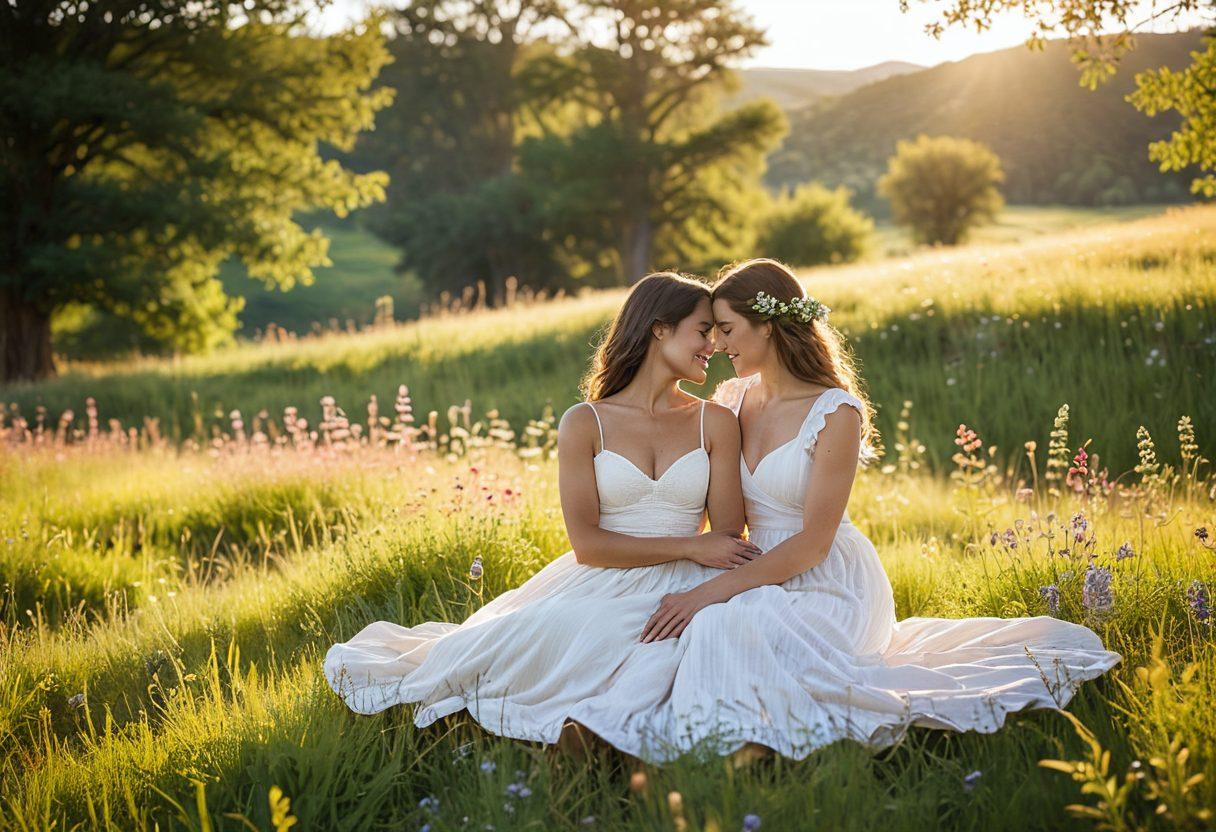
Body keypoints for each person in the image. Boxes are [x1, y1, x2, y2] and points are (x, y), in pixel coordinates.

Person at [629, 257, 1122, 761]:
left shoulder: (834, 411)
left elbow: (814, 544)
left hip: (825, 576)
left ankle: (746, 750)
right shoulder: (732, 399)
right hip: (752, 565)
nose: (717, 346)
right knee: (702, 621)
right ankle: (710, 738)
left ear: (770, 327)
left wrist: (712, 592)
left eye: (728, 330)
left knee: (726, 622)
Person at [323, 271, 758, 750]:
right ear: (659, 328)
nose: (713, 345)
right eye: (702, 330)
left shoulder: (714, 421)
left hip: (687, 581)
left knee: (654, 653)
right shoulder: (585, 422)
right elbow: (588, 545)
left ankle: (598, 739)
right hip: (604, 574)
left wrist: (701, 556)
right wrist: (691, 546)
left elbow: (727, 534)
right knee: (500, 651)